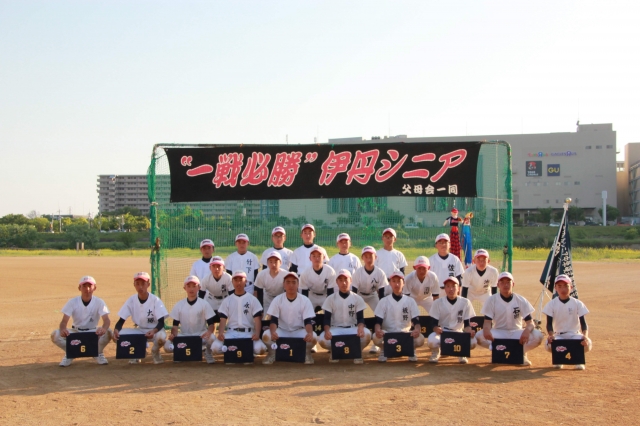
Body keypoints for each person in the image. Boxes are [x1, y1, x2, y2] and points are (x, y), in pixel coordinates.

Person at [476, 272, 543, 366]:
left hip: (516, 332)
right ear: (498, 285)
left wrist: (527, 331)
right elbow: (487, 322)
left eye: (508, 282)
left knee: (538, 335)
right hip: (499, 332)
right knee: (479, 335)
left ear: (513, 284)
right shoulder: (491, 300)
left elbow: (530, 322)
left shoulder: (520, 300)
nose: (505, 285)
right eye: (502, 282)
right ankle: (497, 351)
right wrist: (486, 330)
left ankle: (521, 353)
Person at [51, 276, 111, 367]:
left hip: (93, 332)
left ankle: (97, 352)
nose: (87, 289)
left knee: (108, 332)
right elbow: (64, 321)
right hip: (76, 331)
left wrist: (103, 328)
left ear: (94, 288)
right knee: (55, 334)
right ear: (79, 288)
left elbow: (106, 320)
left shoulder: (99, 302)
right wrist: (63, 329)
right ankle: (70, 352)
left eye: (90, 286)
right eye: (84, 286)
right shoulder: (72, 302)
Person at [112, 272, 168, 364]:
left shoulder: (155, 300)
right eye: (137, 284)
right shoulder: (131, 300)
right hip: (140, 330)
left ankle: (155, 351)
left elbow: (161, 322)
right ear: (134, 285)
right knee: (119, 335)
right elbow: (121, 320)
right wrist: (116, 330)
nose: (140, 287)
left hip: (156, 330)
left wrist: (154, 331)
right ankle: (138, 352)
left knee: (161, 338)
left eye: (143, 284)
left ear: (148, 284)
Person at [262, 272, 317, 365]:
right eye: (288, 282)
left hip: (298, 331)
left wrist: (310, 333)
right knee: (266, 335)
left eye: (294, 282)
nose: (291, 285)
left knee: (313, 337)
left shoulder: (305, 300)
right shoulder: (278, 299)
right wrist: (273, 332)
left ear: (298, 284)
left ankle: (306, 353)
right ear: (284, 285)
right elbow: (274, 320)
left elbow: (307, 321)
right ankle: (272, 353)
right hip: (282, 331)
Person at [318, 269, 370, 364]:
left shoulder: (357, 298)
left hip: (352, 328)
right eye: (340, 280)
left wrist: (360, 327)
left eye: (346, 280)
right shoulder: (330, 298)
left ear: (351, 280)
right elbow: (326, 319)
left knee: (367, 334)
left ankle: (357, 352)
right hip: (336, 329)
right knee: (322, 339)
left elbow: (360, 318)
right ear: (337, 282)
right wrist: (327, 331)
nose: (344, 283)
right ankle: (335, 351)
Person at [211, 271, 266, 360]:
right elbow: (223, 320)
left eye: (241, 280)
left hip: (248, 333)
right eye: (236, 280)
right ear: (232, 282)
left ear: (246, 281)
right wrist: (221, 333)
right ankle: (240, 351)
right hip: (231, 333)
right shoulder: (227, 300)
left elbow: (257, 319)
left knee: (260, 348)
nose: (238, 282)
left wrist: (257, 334)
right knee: (215, 348)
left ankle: (243, 351)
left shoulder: (252, 299)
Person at [372, 271, 424, 362]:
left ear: (403, 283)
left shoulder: (410, 301)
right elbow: (378, 321)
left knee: (420, 339)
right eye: (394, 281)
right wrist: (378, 330)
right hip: (387, 333)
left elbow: (416, 321)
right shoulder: (384, 301)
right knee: (376, 337)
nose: (396, 284)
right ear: (390, 283)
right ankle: (384, 350)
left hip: (405, 334)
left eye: (399, 281)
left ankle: (411, 350)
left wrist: (417, 329)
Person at [164, 276, 217, 364]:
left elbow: (211, 324)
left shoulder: (204, 304)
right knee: (167, 346)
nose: (191, 289)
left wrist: (209, 332)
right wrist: (174, 336)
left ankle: (207, 353)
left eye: (194, 286)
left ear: (199, 288)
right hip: (184, 336)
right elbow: (175, 325)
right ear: (184, 288)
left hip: (200, 336)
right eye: (188, 286)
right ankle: (180, 353)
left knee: (212, 337)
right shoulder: (179, 305)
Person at [543, 274, 592, 370]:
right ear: (555, 288)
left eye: (566, 286)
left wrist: (585, 336)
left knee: (588, 343)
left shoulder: (577, 303)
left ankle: (578, 360)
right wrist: (551, 335)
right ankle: (559, 358)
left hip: (574, 334)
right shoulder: (551, 304)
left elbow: (583, 323)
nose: (563, 289)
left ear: (571, 287)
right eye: (559, 286)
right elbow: (549, 324)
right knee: (548, 344)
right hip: (559, 335)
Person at [426, 277, 477, 364]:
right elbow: (433, 323)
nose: (451, 289)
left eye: (454, 286)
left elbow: (467, 324)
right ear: (445, 289)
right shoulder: (438, 302)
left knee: (473, 342)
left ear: (458, 288)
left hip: (458, 332)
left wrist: (469, 331)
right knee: (432, 340)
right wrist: (436, 329)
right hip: (443, 332)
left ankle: (462, 352)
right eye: (448, 286)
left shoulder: (465, 302)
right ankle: (436, 352)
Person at [352, 246, 390, 354]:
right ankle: (354, 340)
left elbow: (381, 293)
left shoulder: (380, 273)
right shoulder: (358, 273)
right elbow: (354, 293)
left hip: (373, 295)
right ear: (362, 258)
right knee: (353, 314)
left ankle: (377, 343)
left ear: (375, 257)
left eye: (371, 256)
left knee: (381, 314)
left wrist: (381, 308)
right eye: (366, 256)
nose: (369, 259)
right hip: (359, 295)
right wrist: (355, 307)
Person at [299, 245, 337, 312]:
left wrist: (330, 306)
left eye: (319, 256)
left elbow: (330, 292)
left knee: (330, 313)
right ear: (310, 258)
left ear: (324, 257)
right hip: (312, 295)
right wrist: (305, 306)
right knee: (306, 312)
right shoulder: (305, 273)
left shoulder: (330, 271)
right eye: (314, 256)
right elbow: (304, 293)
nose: (317, 258)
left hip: (325, 296)